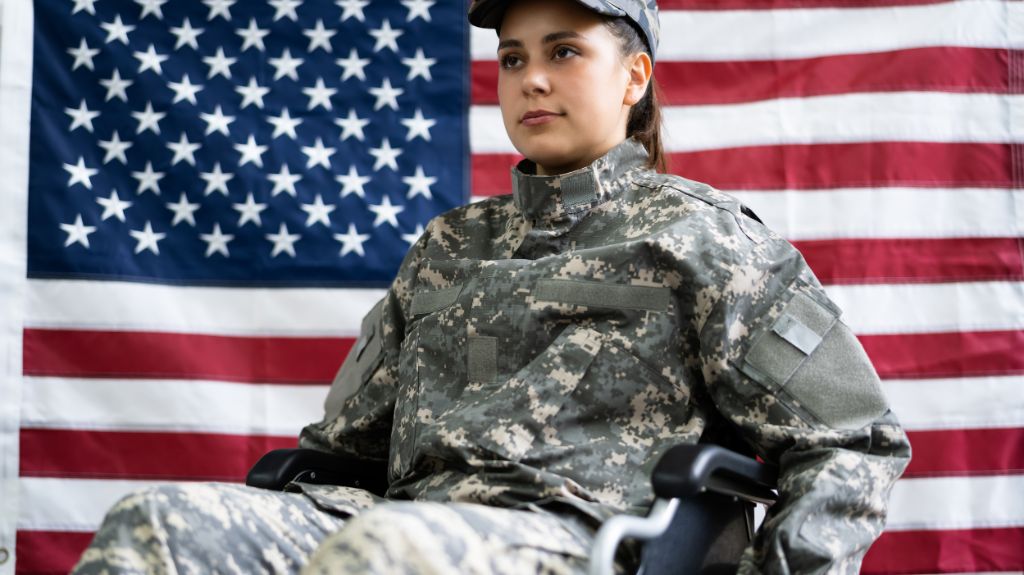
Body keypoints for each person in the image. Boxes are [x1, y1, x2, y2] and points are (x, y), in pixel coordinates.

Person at [73, 0, 912, 573]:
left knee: (386, 553)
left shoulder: (707, 240)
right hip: (404, 525)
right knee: (158, 523)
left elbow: (854, 443)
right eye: (514, 58)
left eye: (564, 52)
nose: (531, 78)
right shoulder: (447, 247)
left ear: (634, 77)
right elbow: (340, 452)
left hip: (580, 539)